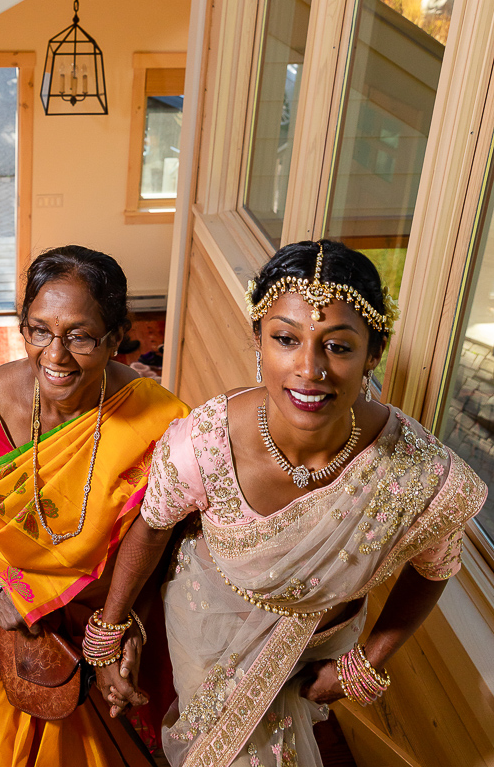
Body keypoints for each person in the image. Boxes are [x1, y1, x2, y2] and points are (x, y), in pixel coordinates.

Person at [88, 239, 487, 767]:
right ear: (258, 339)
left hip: (318, 645)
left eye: (338, 347)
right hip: (207, 625)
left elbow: (435, 569)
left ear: (374, 354)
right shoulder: (205, 442)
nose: (309, 369)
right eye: (285, 339)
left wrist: (363, 663)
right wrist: (110, 631)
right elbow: (153, 526)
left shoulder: (418, 474)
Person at [0, 244, 190, 766]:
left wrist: (126, 621)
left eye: (80, 336)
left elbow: (163, 530)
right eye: (39, 331)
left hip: (101, 598)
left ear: (114, 340)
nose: (55, 356)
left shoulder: (161, 421)